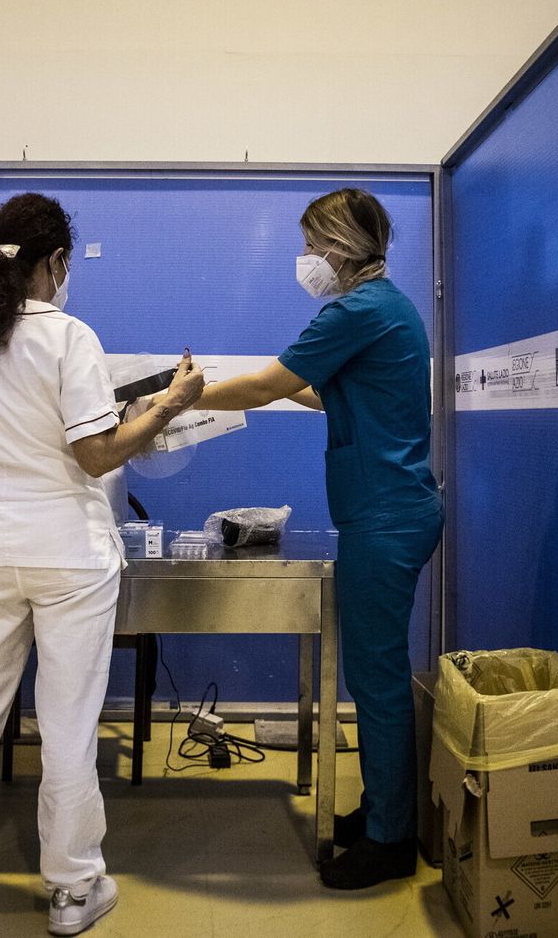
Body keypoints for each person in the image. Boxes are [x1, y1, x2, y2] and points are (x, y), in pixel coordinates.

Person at [0, 192, 204, 934]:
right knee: (68, 723)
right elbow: (94, 453)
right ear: (56, 261)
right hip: (67, 555)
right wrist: (167, 407)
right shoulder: (69, 337)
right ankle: (72, 890)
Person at [195, 187, 442, 890]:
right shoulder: (383, 309)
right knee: (375, 675)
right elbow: (316, 392)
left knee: (378, 680)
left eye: (311, 244)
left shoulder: (358, 309)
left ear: (340, 246)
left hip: (386, 518)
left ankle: (391, 840)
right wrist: (248, 392)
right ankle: (381, 811)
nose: (306, 259)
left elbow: (270, 384)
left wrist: (181, 400)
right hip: (392, 511)